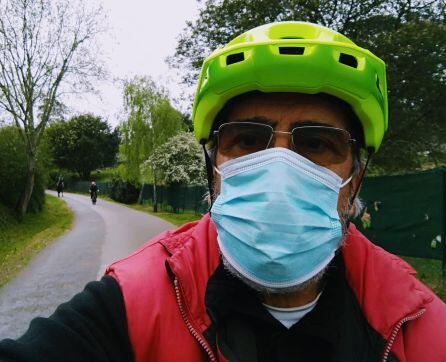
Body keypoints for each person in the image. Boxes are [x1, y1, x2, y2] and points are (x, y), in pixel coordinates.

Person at [1, 21, 445, 362]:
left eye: (316, 144)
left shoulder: (421, 326)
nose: (280, 167)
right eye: (248, 140)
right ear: (212, 167)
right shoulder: (137, 300)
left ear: (356, 177)